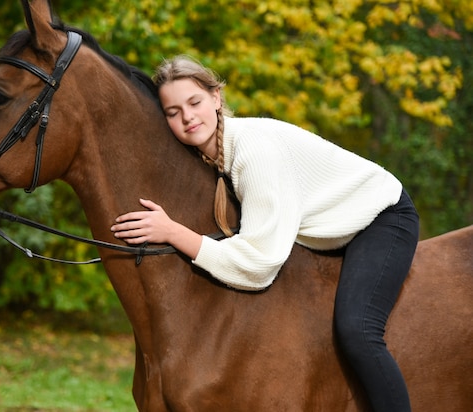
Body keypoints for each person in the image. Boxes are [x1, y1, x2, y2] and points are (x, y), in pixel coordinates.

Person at [110, 55, 419, 411]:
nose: (187, 117)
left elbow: (260, 262)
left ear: (216, 98)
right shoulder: (206, 154)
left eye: (194, 102)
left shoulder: (252, 152)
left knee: (358, 330)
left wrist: (173, 232)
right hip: (320, 227)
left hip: (378, 215)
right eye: (173, 112)